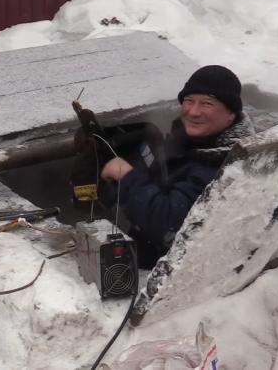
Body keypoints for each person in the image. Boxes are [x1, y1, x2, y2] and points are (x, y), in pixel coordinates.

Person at [100, 65, 255, 267]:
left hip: (168, 267)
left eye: (207, 104)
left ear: (231, 114)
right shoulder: (188, 139)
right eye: (189, 101)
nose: (194, 111)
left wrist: (127, 177)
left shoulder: (220, 165)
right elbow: (155, 171)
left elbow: (168, 227)